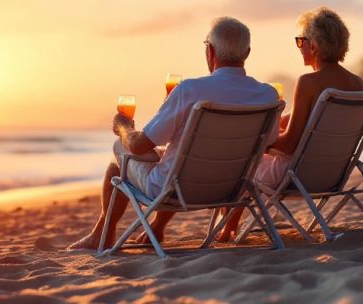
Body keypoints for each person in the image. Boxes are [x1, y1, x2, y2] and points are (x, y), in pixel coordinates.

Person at [68, 17, 278, 250]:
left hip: (176, 190)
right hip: (232, 189)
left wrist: (124, 128)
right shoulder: (267, 96)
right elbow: (269, 143)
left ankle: (103, 234)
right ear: (247, 52)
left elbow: (139, 146)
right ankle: (156, 228)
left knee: (121, 150)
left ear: (210, 51)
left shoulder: (190, 90)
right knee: (176, 155)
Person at [215, 7, 363, 241]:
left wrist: (258, 144)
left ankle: (228, 229)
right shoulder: (357, 84)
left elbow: (289, 144)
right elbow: (306, 123)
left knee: (240, 165)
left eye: (300, 41)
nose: (300, 47)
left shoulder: (308, 83)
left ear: (313, 45)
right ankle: (229, 227)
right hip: (333, 173)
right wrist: (271, 126)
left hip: (298, 174)